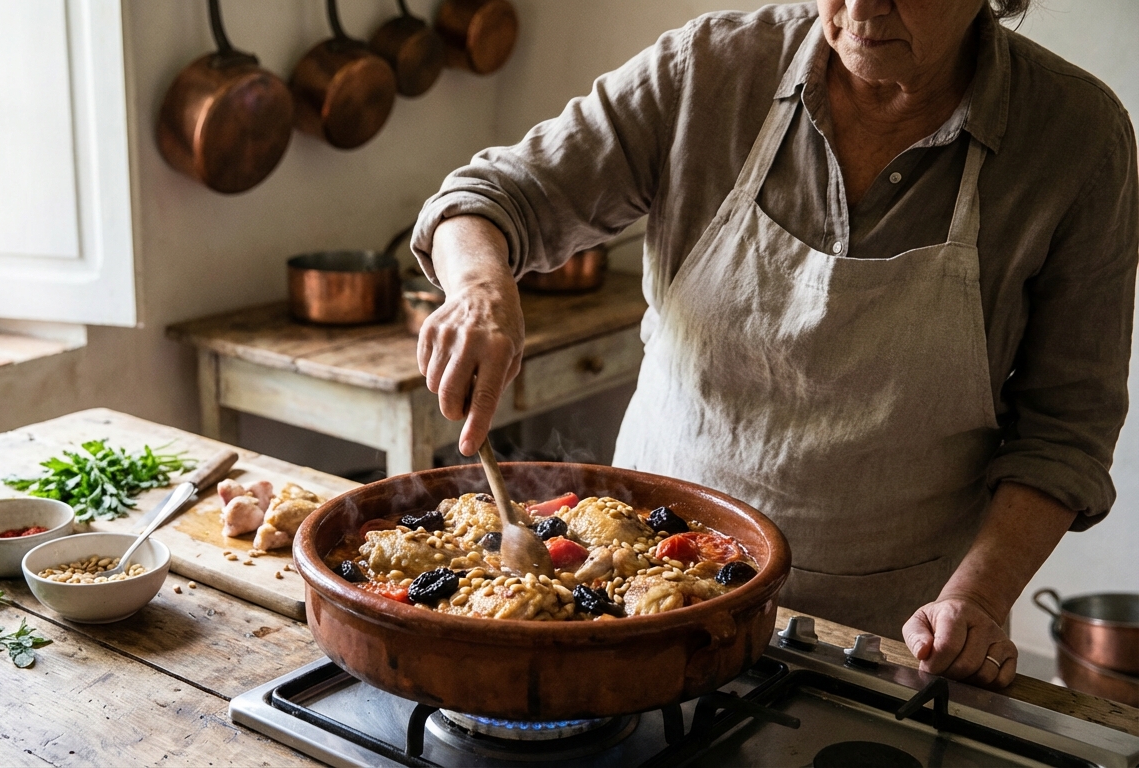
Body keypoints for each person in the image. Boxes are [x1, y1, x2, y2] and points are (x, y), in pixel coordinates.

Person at [410, 0, 1138, 688]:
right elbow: (490, 196)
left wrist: (977, 600)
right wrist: (478, 287)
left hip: (893, 634)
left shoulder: (1075, 136)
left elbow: (1066, 427)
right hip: (643, 597)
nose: (858, 10)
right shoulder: (710, 70)